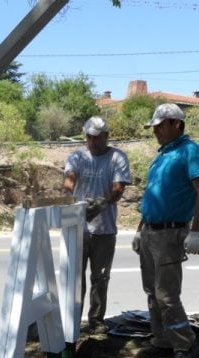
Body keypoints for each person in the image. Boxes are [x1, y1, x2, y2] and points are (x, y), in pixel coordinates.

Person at [133, 103, 199, 358]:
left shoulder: (191, 151)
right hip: (150, 232)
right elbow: (153, 195)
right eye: (154, 127)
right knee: (152, 293)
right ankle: (162, 341)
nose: (156, 131)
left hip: (170, 233)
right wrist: (139, 230)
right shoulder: (163, 154)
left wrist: (197, 231)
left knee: (167, 296)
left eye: (159, 126)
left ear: (176, 123)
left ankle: (183, 347)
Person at [63, 116, 131, 334]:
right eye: (89, 137)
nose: (92, 142)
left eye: (97, 137)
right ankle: (73, 319)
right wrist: (69, 198)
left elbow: (119, 188)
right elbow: (69, 180)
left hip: (104, 229)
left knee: (100, 277)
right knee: (76, 276)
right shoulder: (77, 156)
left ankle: (96, 320)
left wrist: (102, 203)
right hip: (79, 228)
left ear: (106, 136)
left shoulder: (117, 157)